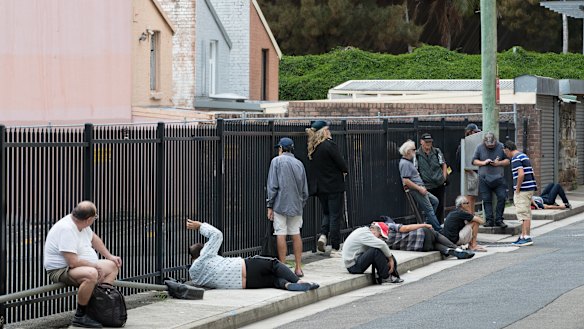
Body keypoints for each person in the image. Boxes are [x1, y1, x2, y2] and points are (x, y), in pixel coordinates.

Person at [44, 201, 123, 328]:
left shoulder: (82, 224)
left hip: (81, 266)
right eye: (95, 217)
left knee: (112, 266)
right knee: (91, 274)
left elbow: (94, 239)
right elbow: (73, 262)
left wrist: (110, 256)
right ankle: (80, 315)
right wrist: (94, 266)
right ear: (89, 219)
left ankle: (98, 308)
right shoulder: (67, 229)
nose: (95, 219)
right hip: (61, 270)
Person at [186, 219, 319, 291]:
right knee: (274, 264)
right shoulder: (204, 256)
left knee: (273, 280)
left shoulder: (195, 275)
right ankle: (299, 281)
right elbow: (217, 235)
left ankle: (287, 285)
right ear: (202, 251)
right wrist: (200, 226)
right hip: (243, 267)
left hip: (244, 284)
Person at [266, 137, 309, 277]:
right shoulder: (299, 164)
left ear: (281, 149)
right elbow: (305, 190)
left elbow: (272, 186)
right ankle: (298, 267)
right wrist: (300, 203)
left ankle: (283, 267)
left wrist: (270, 205)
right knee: (296, 234)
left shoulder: (276, 162)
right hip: (296, 205)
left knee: (281, 234)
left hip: (280, 204)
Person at [306, 120, 349, 257]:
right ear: (324, 131)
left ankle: (323, 236)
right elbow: (342, 164)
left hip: (320, 188)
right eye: (328, 129)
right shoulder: (329, 145)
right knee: (335, 216)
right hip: (334, 186)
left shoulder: (314, 148)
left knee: (327, 213)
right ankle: (335, 247)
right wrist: (344, 170)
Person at [399, 139, 442, 232]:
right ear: (408, 151)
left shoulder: (406, 162)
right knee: (429, 209)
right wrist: (419, 188)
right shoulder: (405, 163)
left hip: (419, 187)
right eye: (413, 150)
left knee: (435, 201)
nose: (415, 151)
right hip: (417, 189)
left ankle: (427, 224)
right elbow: (406, 180)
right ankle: (438, 229)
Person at [472, 132, 510, 228]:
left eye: (492, 145)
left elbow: (508, 161)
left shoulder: (501, 146)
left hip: (499, 178)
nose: (490, 147)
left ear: (495, 141)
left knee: (502, 197)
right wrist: (484, 162)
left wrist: (498, 163)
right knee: (486, 199)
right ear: (484, 142)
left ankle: (499, 219)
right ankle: (489, 220)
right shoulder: (479, 147)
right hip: (484, 179)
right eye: (488, 146)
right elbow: (474, 161)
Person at [382, 219, 474, 259]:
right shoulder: (387, 226)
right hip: (422, 234)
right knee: (436, 235)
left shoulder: (382, 242)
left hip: (419, 247)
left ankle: (448, 250)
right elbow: (406, 228)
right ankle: (456, 248)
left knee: (434, 245)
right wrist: (424, 224)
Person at [503, 140, 537, 246]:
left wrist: (517, 189)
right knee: (526, 212)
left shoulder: (515, 159)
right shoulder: (523, 156)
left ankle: (526, 237)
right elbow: (532, 172)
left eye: (505, 152)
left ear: (508, 149)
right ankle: (523, 235)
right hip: (529, 188)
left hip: (523, 189)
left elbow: (521, 174)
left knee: (523, 213)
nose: (505, 154)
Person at [416, 133, 448, 223]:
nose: (428, 144)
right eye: (426, 142)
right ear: (421, 142)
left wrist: (444, 177)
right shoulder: (417, 154)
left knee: (440, 205)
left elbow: (443, 164)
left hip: (439, 183)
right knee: (429, 206)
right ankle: (431, 224)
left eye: (430, 142)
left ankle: (439, 224)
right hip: (427, 185)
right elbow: (416, 169)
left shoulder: (437, 151)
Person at [455, 123, 482, 214]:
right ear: (470, 132)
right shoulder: (464, 145)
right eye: (475, 132)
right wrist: (470, 171)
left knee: (472, 196)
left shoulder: (473, 145)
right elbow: (459, 162)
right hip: (469, 173)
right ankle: (469, 216)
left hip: (473, 172)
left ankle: (472, 214)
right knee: (469, 196)